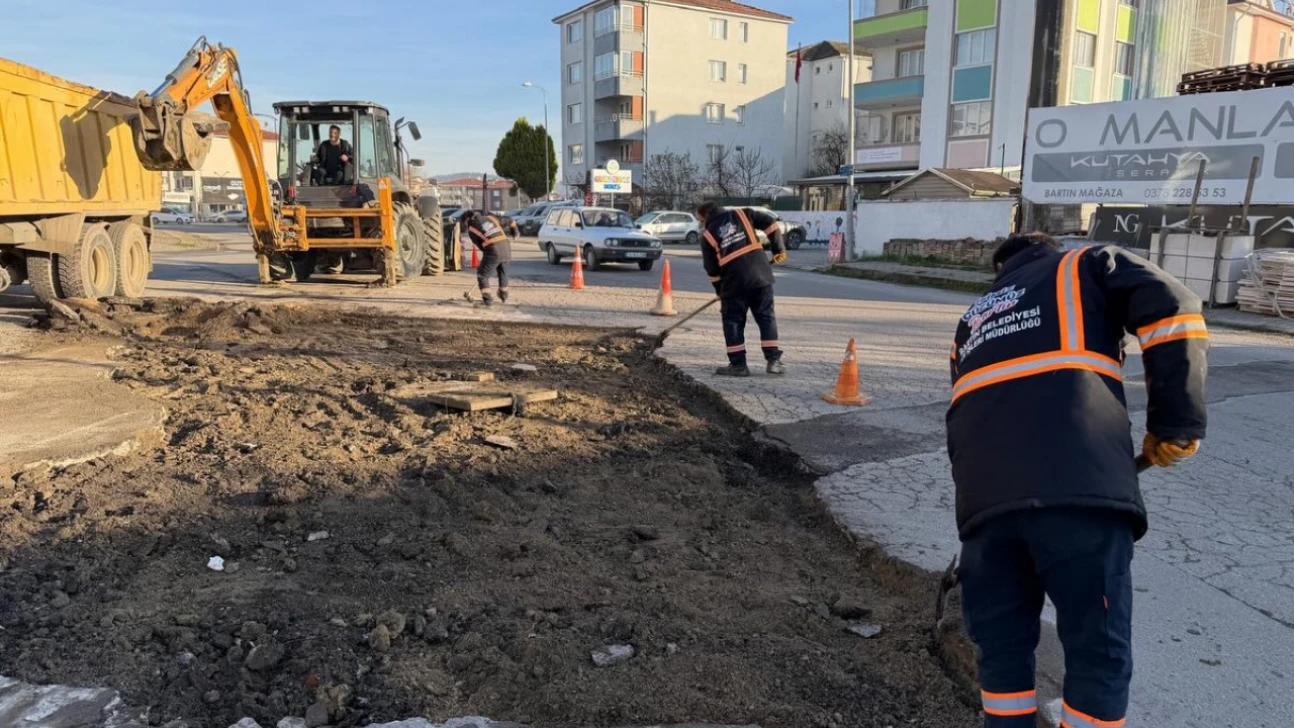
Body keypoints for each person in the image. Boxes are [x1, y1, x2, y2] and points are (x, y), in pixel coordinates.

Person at [947, 232, 1209, 727]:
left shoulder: (973, 318)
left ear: (1000, 270)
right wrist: (1176, 422)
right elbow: (1175, 306)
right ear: (1049, 249)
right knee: (1097, 654)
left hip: (985, 511)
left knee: (1002, 653)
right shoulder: (1084, 264)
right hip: (1077, 498)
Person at [695, 202, 788, 377]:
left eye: (700, 220)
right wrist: (778, 249)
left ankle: (738, 366)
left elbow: (712, 270)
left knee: (733, 321)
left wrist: (719, 291)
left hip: (733, 282)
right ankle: (773, 362)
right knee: (766, 318)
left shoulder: (707, 236)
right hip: (761, 276)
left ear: (705, 216)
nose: (701, 224)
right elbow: (771, 223)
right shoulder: (743, 214)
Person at [462, 210, 518, 305]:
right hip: (506, 247)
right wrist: (515, 233)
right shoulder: (492, 218)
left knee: (482, 275)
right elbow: (511, 221)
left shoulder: (471, 229)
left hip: (493, 249)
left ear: (466, 221)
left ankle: (488, 300)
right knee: (502, 272)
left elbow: (481, 246)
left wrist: (490, 258)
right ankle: (503, 296)